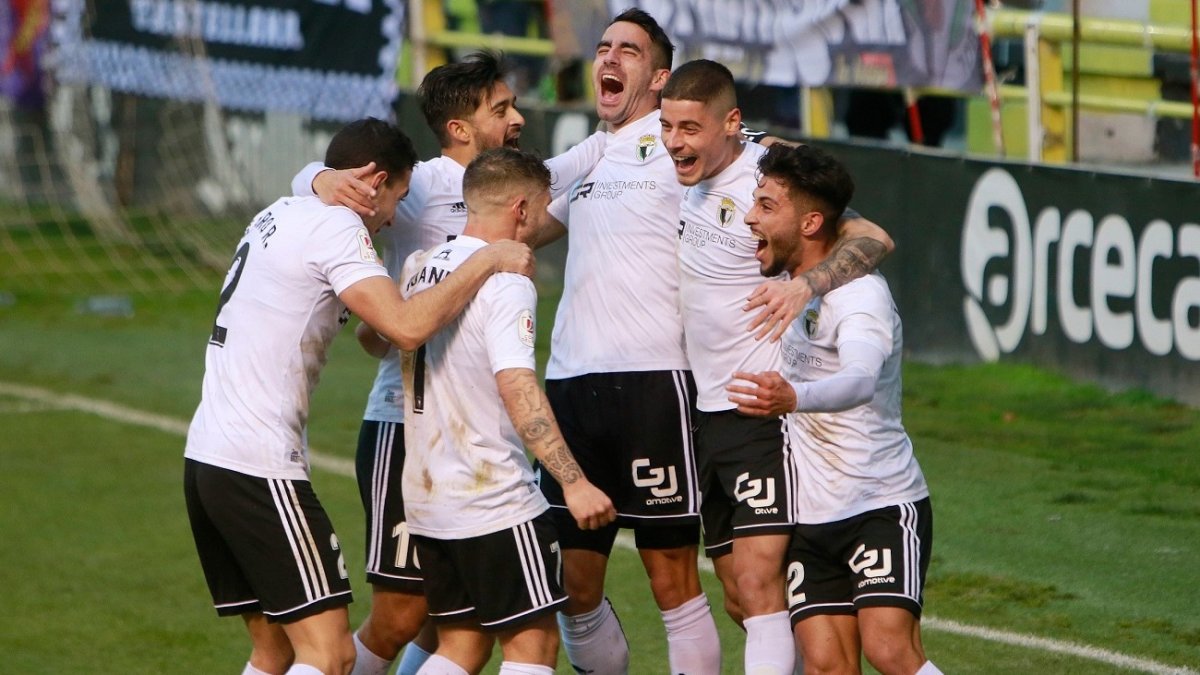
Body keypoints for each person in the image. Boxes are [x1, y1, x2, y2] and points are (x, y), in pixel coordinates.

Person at [289, 52, 604, 675]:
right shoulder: (426, 183)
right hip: (406, 424)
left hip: (470, 430)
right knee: (407, 617)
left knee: (455, 629)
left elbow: (592, 154)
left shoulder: (507, 181)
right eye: (501, 108)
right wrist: (321, 180)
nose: (517, 118)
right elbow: (311, 192)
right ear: (459, 127)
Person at [183, 118, 533, 675]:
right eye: (395, 196)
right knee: (331, 654)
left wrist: (319, 180)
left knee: (273, 652)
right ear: (371, 180)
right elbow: (404, 329)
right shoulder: (337, 229)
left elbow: (374, 337)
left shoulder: (277, 210)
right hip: (258, 464)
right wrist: (486, 259)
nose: (393, 216)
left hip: (206, 458)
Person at [659, 59, 894, 675]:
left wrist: (806, 285)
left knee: (763, 591)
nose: (675, 142)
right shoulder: (683, 174)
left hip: (758, 408)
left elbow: (872, 239)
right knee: (742, 597)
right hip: (706, 408)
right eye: (668, 127)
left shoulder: (768, 172)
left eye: (689, 127)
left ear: (731, 123)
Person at [398, 147, 616, 675]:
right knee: (532, 648)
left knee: (461, 646)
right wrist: (573, 481)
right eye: (542, 208)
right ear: (521, 208)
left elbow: (375, 337)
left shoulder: (421, 267)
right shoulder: (507, 279)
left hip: (428, 497)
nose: (543, 221)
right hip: (490, 493)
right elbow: (518, 386)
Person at [727, 143, 942, 675]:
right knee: (826, 665)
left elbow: (860, 381)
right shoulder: (789, 282)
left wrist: (792, 398)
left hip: (880, 503)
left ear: (812, 223)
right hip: (812, 513)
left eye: (767, 206)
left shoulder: (861, 295)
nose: (750, 218)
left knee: (890, 650)